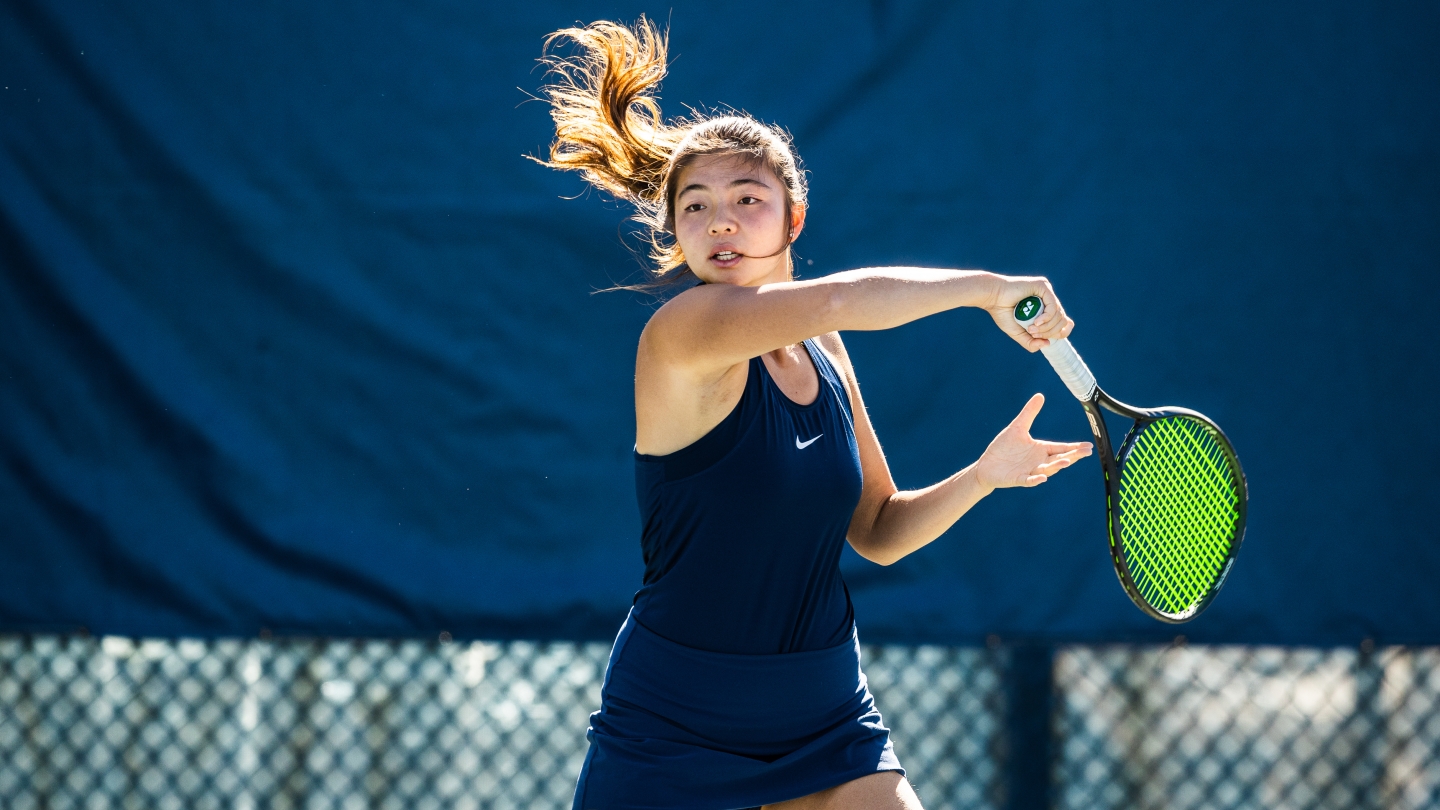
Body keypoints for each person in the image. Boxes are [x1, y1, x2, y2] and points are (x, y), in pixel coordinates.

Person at [535, 17, 1092, 810]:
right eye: (694, 207)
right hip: (675, 717)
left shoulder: (827, 349)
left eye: (747, 199)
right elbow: (837, 295)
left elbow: (880, 529)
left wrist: (983, 476)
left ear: (793, 219)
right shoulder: (683, 333)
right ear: (676, 232)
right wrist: (985, 288)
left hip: (823, 708)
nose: (720, 220)